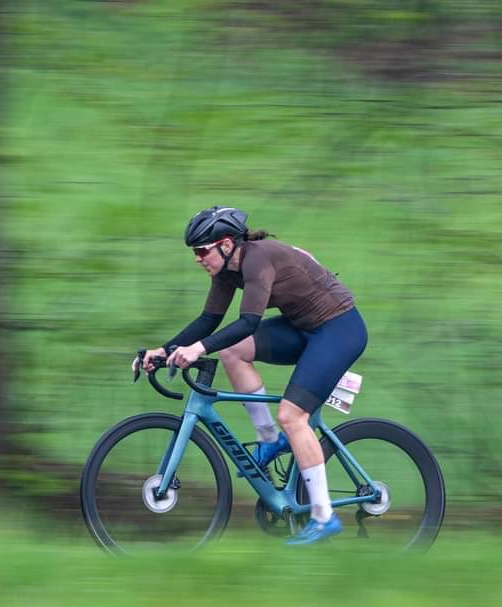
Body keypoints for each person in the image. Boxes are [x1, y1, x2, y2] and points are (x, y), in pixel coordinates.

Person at [136, 206, 368, 545]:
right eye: (194, 252)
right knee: (233, 352)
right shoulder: (225, 271)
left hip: (338, 330)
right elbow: (208, 321)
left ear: (226, 244)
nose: (197, 259)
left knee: (293, 416)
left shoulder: (257, 260)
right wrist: (164, 350)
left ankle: (323, 516)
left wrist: (198, 350)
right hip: (303, 327)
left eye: (201, 251)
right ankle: (268, 440)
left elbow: (249, 322)